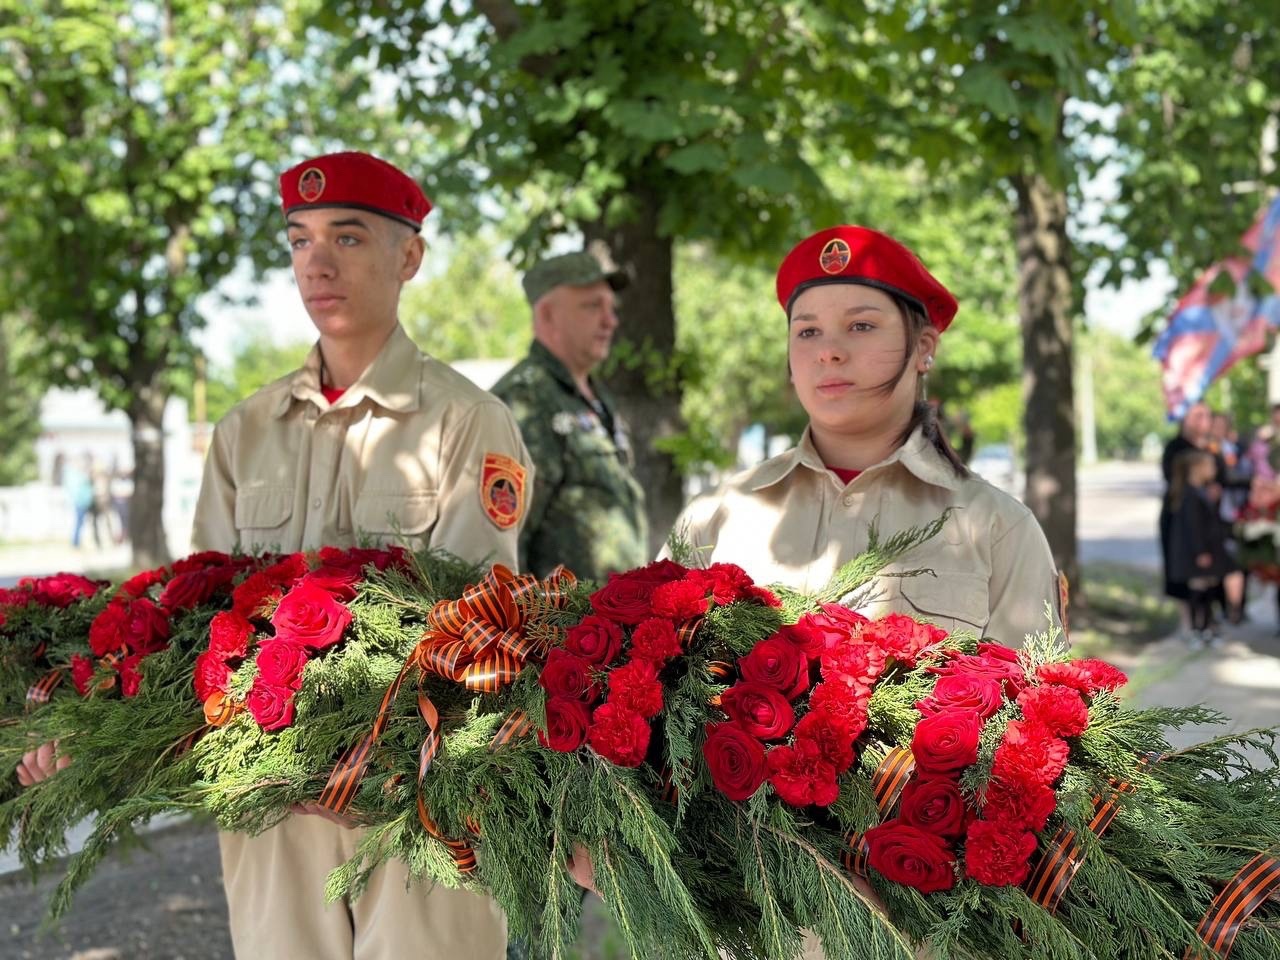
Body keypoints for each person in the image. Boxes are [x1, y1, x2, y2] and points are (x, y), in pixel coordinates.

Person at [18, 151, 532, 960]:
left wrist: (366, 753)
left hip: (414, 807)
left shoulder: (469, 424)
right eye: (299, 240)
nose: (316, 263)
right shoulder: (243, 431)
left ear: (410, 257)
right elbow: (190, 632)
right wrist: (85, 719)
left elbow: (474, 636)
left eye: (348, 237)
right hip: (265, 816)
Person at [569, 225, 1064, 957]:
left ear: (923, 347)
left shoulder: (996, 528)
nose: (829, 351)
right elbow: (637, 701)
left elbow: (1034, 758)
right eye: (808, 331)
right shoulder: (717, 517)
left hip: (917, 931)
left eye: (861, 327)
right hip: (738, 923)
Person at [490, 251, 648, 581]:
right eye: (593, 306)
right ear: (547, 316)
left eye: (611, 308)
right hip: (557, 626)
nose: (611, 321)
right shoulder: (524, 399)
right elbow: (503, 543)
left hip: (605, 622)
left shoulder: (596, 396)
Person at [1166, 449, 1234, 648]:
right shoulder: (1190, 494)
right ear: (1197, 469)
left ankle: (1207, 629)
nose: (1214, 469)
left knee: (1208, 590)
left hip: (1206, 551)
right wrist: (1200, 551)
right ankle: (1197, 630)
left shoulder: (1199, 491)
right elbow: (1194, 526)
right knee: (1198, 590)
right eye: (1210, 465)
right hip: (1197, 553)